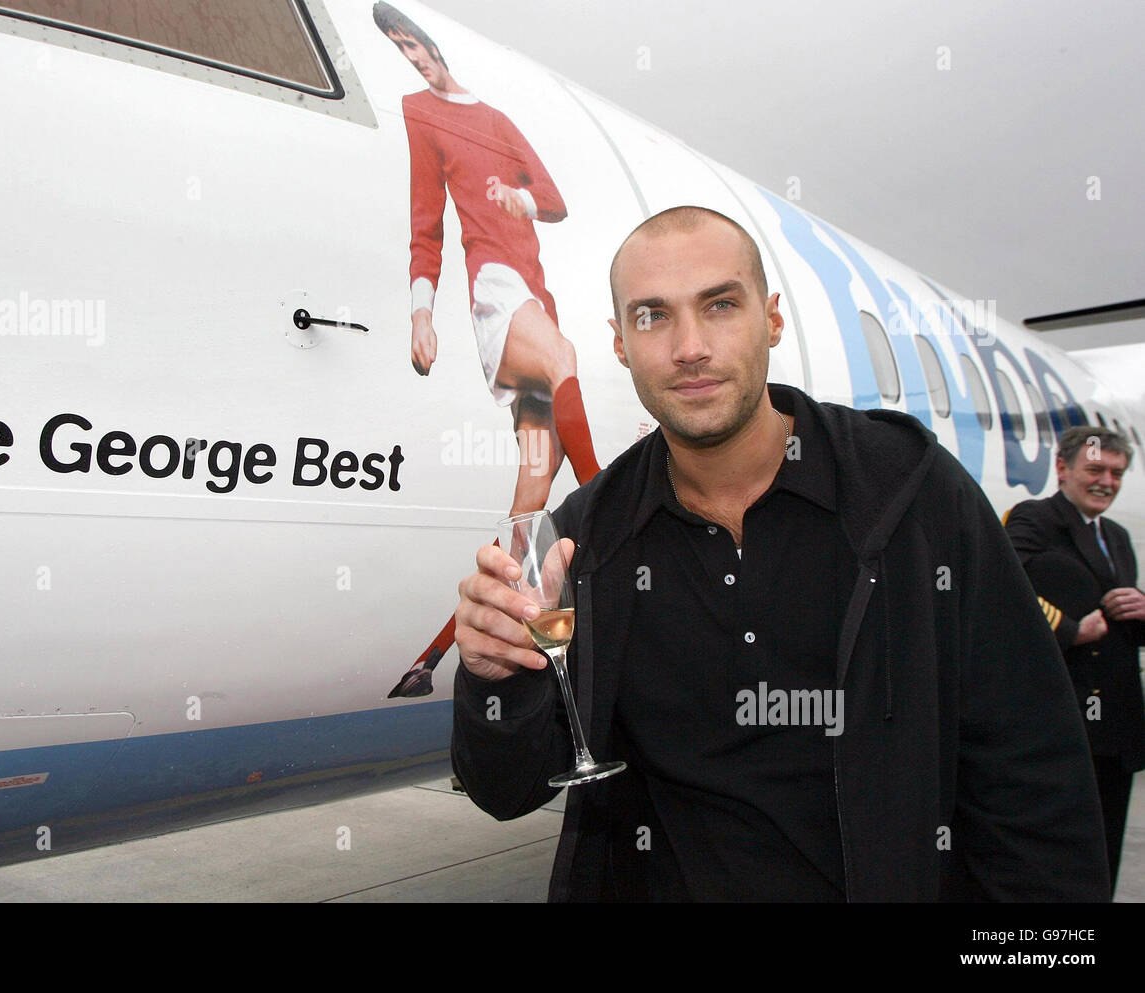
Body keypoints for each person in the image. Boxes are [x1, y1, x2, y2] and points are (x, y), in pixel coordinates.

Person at [450, 204, 1110, 901]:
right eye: (653, 316)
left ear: (771, 320)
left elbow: (1033, 774)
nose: (690, 346)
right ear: (619, 343)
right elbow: (507, 790)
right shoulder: (588, 534)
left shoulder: (912, 495)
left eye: (721, 305)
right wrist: (496, 679)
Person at [373, 3, 602, 698]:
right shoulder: (418, 112)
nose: (411, 58)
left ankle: (434, 656)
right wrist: (420, 314)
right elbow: (425, 224)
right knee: (562, 358)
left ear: (430, 43)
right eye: (398, 50)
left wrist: (518, 196)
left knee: (529, 512)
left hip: (536, 291)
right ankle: (622, 515)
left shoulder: (497, 119)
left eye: (413, 44)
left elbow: (555, 200)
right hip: (498, 294)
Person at [1003, 426, 1145, 894]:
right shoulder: (1035, 519)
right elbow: (1004, 588)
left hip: (1115, 730)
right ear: (1063, 469)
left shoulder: (1118, 537)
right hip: (1063, 720)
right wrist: (1070, 629)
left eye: (1117, 473)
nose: (1107, 481)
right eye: (1096, 470)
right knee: (1055, 863)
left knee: (1103, 857)